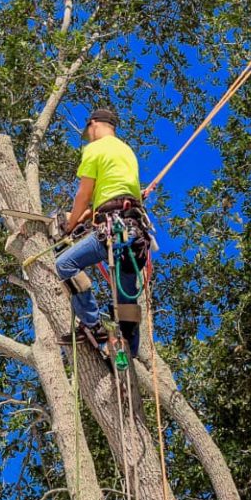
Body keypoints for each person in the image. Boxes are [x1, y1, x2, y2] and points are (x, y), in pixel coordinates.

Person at [55, 108, 151, 356]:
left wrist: (70, 225)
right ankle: (129, 350)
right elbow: (114, 193)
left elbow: (84, 195)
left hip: (114, 228)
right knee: (125, 301)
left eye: (88, 132)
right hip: (135, 233)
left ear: (93, 124)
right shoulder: (126, 151)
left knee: (65, 264)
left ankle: (93, 324)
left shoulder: (95, 149)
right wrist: (88, 216)